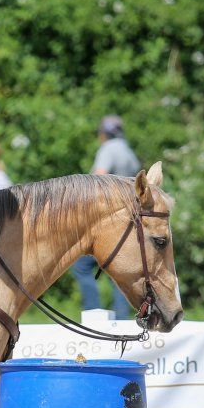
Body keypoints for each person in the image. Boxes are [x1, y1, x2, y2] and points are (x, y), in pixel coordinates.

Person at [71, 115, 141, 319]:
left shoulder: (108, 149)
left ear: (103, 133)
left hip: (105, 219)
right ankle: (121, 319)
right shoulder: (129, 152)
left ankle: (93, 314)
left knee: (81, 267)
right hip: (126, 219)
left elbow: (99, 177)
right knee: (117, 272)